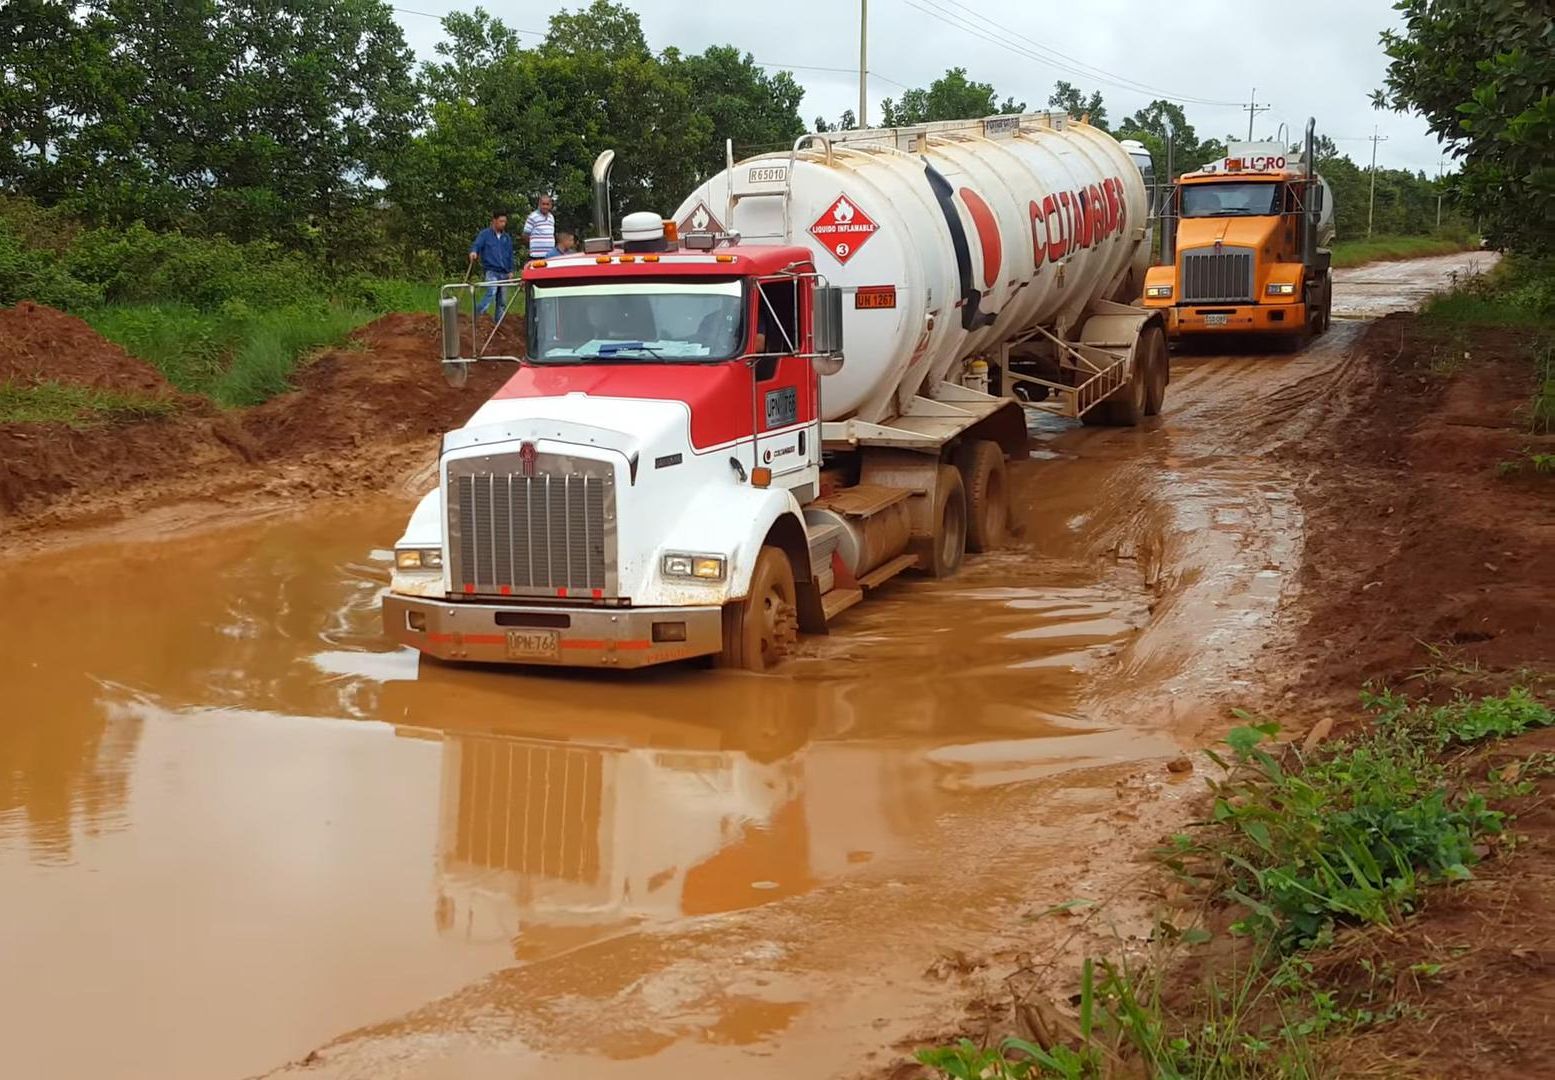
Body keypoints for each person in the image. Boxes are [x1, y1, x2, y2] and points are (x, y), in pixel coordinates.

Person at [468, 209, 515, 320]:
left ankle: (499, 323)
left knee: (502, 300)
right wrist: (473, 252)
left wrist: (511, 271)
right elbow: (477, 245)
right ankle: (478, 315)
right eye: (501, 221)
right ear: (494, 221)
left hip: (504, 272)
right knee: (491, 291)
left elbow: (510, 255)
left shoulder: (506, 238)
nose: (503, 224)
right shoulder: (485, 235)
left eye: (504, 222)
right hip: (491, 271)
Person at [523, 195, 557, 259]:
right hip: (536, 255)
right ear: (539, 204)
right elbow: (525, 235)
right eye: (543, 204)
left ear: (550, 205)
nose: (545, 206)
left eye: (547, 204)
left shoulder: (551, 217)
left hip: (550, 255)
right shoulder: (532, 216)